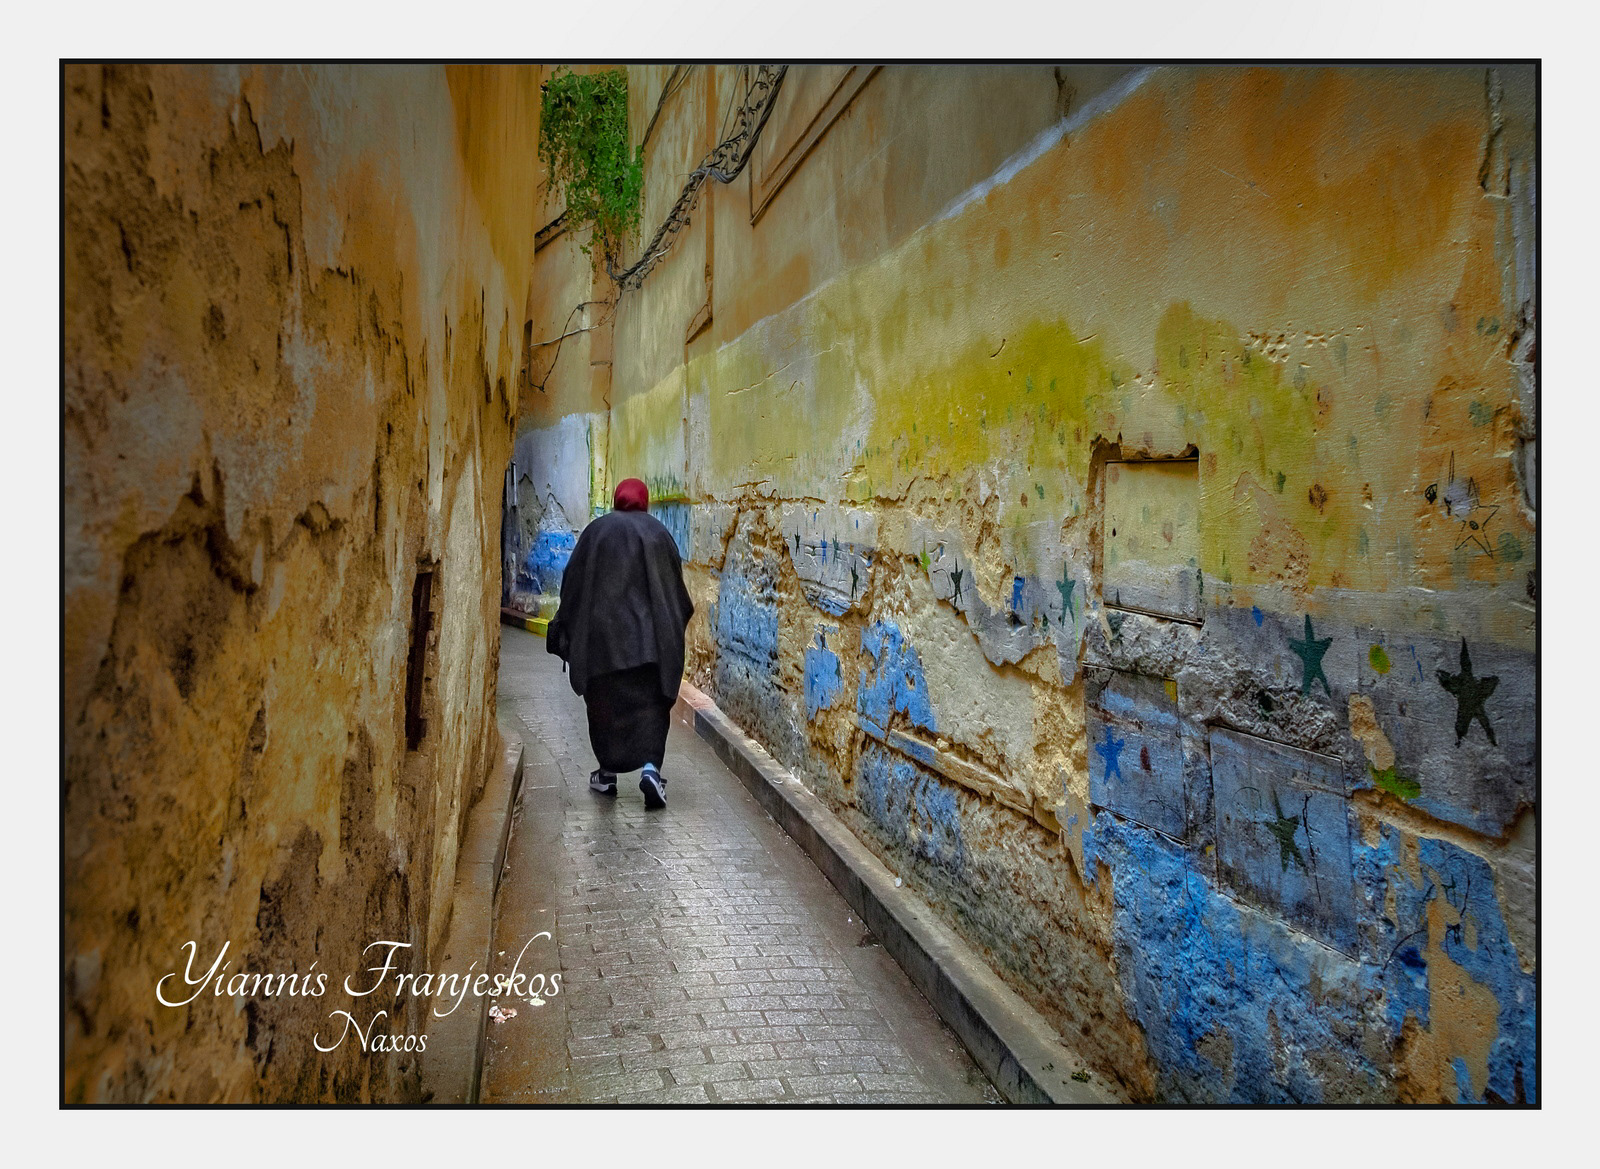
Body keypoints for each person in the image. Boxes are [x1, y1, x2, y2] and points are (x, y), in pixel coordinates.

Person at [546, 478, 694, 809]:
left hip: (601, 647)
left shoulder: (595, 533)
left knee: (604, 712)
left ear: (616, 499)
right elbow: (675, 594)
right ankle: (651, 770)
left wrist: (566, 627)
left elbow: (573, 584)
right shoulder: (659, 535)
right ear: (645, 501)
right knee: (652, 712)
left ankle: (606, 773)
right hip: (651, 651)